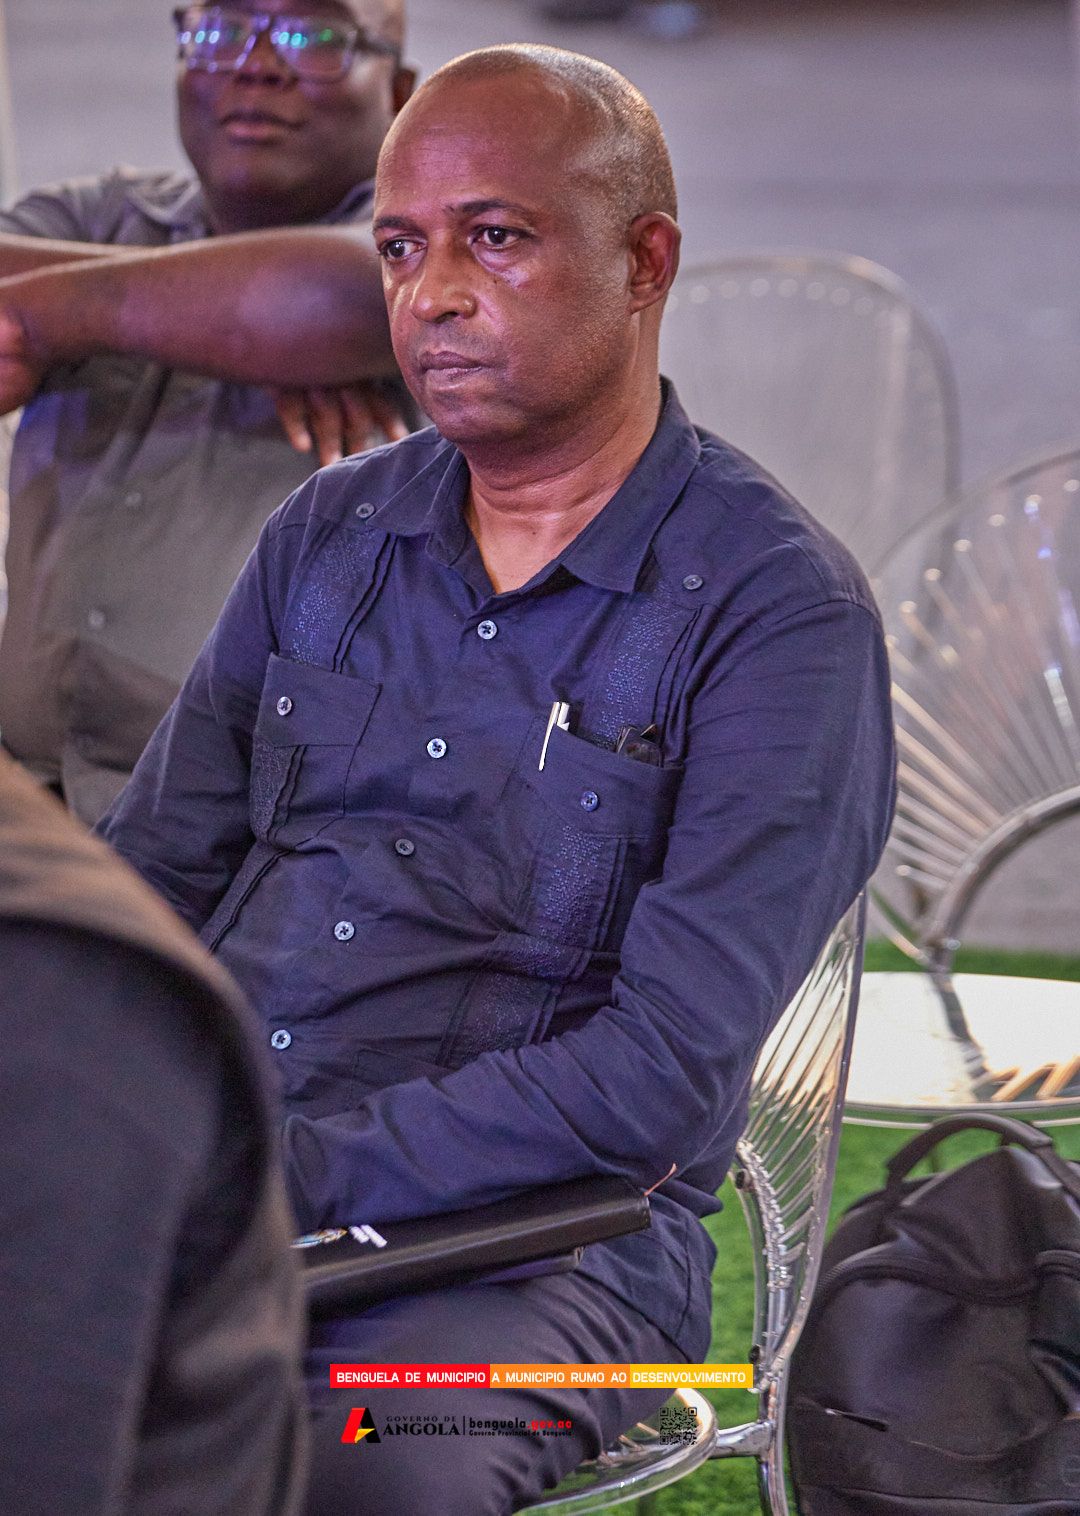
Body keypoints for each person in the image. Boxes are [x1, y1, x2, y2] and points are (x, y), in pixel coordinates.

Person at [102, 43, 897, 1514]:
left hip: (529, 1262)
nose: (433, 296)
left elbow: (658, 1078)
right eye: (402, 248)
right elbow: (144, 886)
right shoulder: (328, 535)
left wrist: (276, 1176)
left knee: (355, 1476)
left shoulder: (777, 616)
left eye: (497, 239)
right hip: (214, 1189)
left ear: (645, 262)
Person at [0, 0, 417, 825]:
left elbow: (343, 298)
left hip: (261, 842)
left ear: (398, 92)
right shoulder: (102, 215)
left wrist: (48, 313)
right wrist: (229, 316)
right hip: (33, 800)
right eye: (220, 30)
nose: (256, 63)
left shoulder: (430, 257)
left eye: (314, 36)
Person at [0, 749, 307, 1515]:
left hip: (433, 1221)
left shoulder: (56, 1016)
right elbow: (167, 854)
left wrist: (298, 1163)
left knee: (394, 1457)